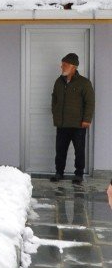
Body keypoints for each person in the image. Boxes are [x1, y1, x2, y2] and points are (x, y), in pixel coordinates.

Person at [49, 53, 94, 184]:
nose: (62, 66)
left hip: (78, 125)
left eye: (65, 64)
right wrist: (55, 113)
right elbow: (54, 98)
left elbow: (90, 102)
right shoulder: (59, 81)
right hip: (62, 124)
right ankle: (59, 173)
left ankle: (79, 174)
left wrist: (87, 119)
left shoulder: (84, 83)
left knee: (79, 151)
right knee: (60, 150)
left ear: (73, 66)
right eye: (62, 64)